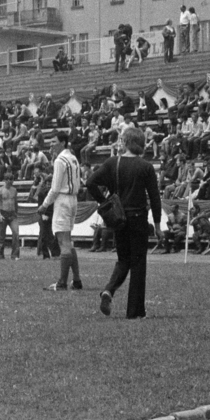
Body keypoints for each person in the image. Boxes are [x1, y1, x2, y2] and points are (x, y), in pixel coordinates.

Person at [86, 126, 161, 318]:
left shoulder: (113, 162)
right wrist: (158, 225)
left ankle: (109, 290)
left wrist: (105, 202)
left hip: (118, 218)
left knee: (122, 260)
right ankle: (135, 311)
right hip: (138, 218)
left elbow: (90, 182)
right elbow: (154, 198)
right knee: (138, 264)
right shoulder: (145, 167)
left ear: (126, 142)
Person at [40, 130, 84, 291]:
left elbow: (55, 187)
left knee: (63, 242)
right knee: (68, 240)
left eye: (54, 142)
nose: (51, 145)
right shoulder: (73, 158)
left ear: (63, 143)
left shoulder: (60, 160)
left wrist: (44, 205)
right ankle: (77, 280)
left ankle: (62, 282)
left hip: (63, 200)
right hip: (73, 199)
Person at [0, 167, 21, 260]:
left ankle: (15, 255)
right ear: (4, 180)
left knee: (16, 233)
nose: (9, 181)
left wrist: (16, 213)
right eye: (7, 179)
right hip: (3, 213)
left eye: (11, 179)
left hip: (12, 214)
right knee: (2, 236)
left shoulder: (14, 190)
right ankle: (0, 254)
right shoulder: (0, 190)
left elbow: (15, 202)